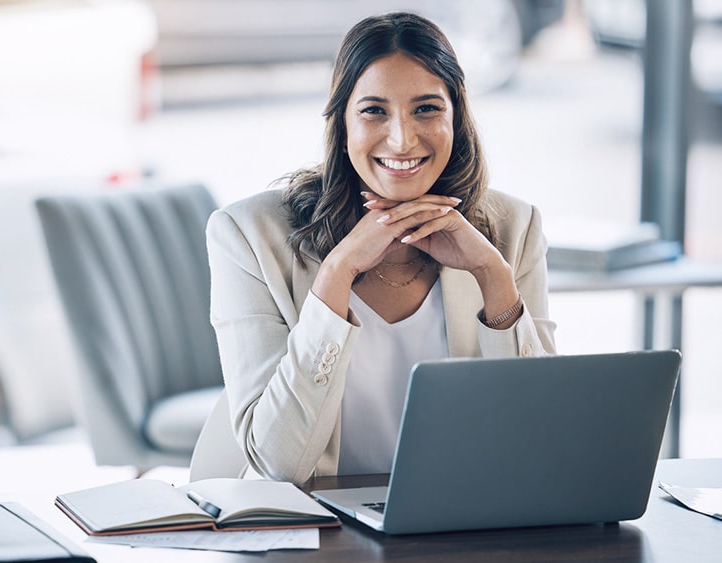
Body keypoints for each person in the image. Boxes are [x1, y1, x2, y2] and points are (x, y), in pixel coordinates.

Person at [206, 12, 557, 485]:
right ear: (343, 123)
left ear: (457, 117)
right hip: (316, 537)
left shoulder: (514, 228)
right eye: (374, 111)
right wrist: (337, 273)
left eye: (427, 109)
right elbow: (277, 466)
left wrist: (493, 276)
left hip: (461, 526)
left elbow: (542, 443)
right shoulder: (248, 235)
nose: (402, 139)